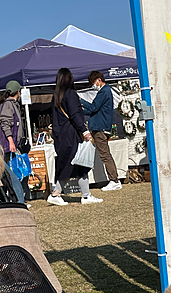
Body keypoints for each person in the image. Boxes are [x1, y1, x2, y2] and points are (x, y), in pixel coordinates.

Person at [47, 68, 103, 206]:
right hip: (70, 134)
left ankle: (84, 195)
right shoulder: (70, 94)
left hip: (60, 135)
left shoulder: (56, 96)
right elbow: (75, 114)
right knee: (74, 164)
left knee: (75, 165)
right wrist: (85, 131)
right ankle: (56, 193)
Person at [80, 70, 121, 191]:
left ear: (99, 80)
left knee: (105, 155)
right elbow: (95, 110)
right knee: (105, 154)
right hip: (101, 126)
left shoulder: (104, 91)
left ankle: (114, 180)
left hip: (100, 127)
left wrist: (81, 101)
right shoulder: (106, 91)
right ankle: (114, 179)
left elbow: (94, 107)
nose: (93, 85)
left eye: (93, 82)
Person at [0, 80, 30, 202]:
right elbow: (5, 124)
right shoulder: (8, 105)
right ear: (18, 91)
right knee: (12, 173)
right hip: (8, 146)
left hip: (14, 144)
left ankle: (18, 197)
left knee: (18, 172)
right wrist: (11, 142)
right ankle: (13, 198)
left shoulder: (13, 104)